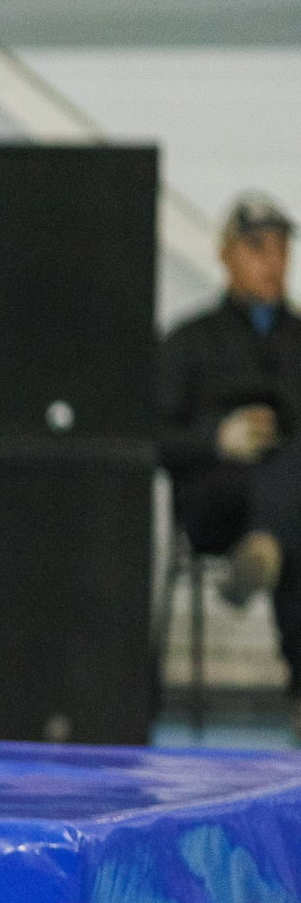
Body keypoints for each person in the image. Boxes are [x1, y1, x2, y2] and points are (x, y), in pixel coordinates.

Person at [161, 192, 301, 707]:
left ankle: (266, 548)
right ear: (226, 255)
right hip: (217, 501)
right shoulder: (188, 343)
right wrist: (217, 439)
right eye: (258, 248)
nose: (273, 262)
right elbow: (150, 438)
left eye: (281, 250)